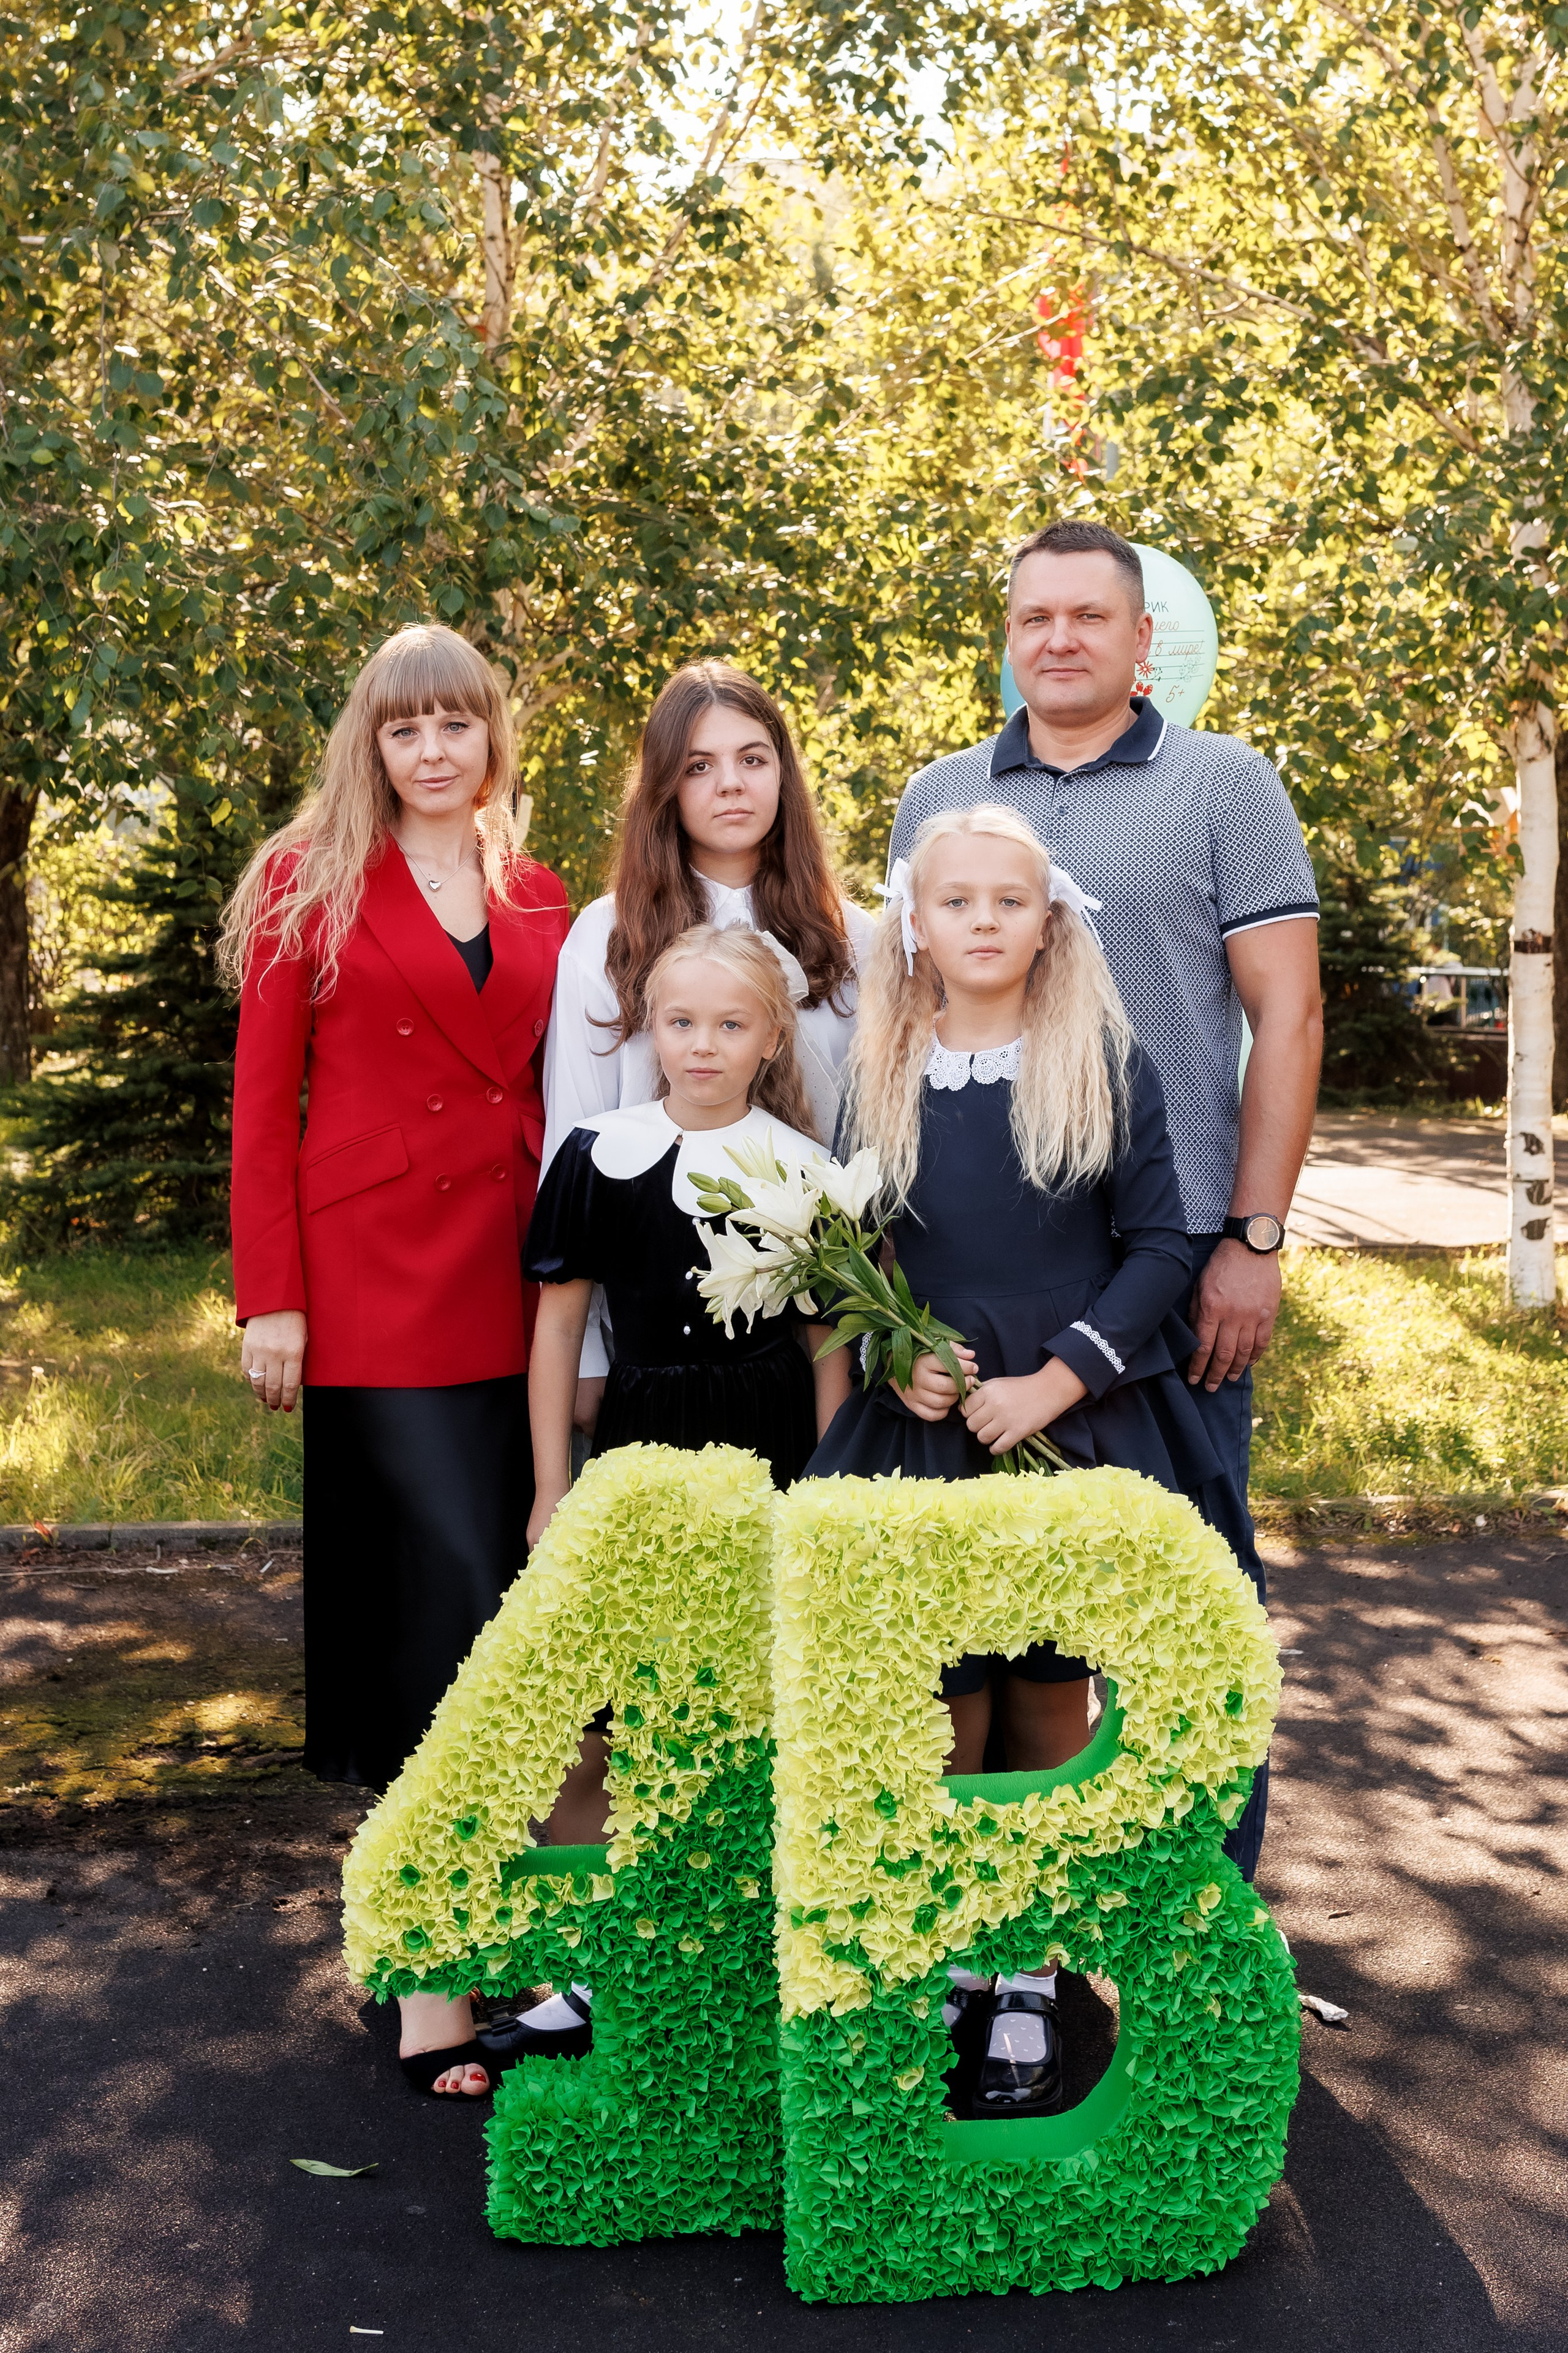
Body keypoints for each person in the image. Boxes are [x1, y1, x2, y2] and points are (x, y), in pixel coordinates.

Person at [888, 519, 1322, 1880]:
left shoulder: (1224, 784)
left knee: (1185, 1615)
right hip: (976, 1287)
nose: (1060, 638)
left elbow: (1290, 1013)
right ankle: (1008, 1933)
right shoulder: (941, 795)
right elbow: (901, 1024)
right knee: (988, 1631)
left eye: (1089, 616)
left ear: (1144, 640)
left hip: (1168, 1265)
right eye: (1035, 617)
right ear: (1008, 638)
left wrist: (1252, 1236)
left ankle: (1199, 1924)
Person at [808, 804, 1234, 2123]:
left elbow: (1162, 1245)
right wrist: (897, 1357)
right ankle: (953, 1946)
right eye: (956, 902)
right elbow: (855, 1256)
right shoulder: (880, 1073)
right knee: (941, 1700)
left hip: (1071, 1418)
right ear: (914, 926)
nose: (983, 920)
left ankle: (1031, 1970)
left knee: (1049, 1691)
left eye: (1009, 900)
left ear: (1049, 923)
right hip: (926, 1430)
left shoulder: (1100, 1061)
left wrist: (1058, 1377)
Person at [222, 622, 570, 2101]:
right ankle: (434, 1970)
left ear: (493, 737)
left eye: (456, 724)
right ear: (370, 742)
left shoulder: (538, 890)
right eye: (404, 727)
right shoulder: (305, 882)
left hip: (519, 1280)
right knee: (431, 1618)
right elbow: (261, 1108)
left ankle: (513, 1930)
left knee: (511, 1621)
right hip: (372, 1285)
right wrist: (271, 1300)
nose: (433, 750)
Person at [503, 923, 851, 2067]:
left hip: (767, 1450)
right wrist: (553, 1484)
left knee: (754, 1705)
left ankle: (758, 1959)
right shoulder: (600, 1153)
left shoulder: (802, 1168)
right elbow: (558, 1329)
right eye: (681, 1021)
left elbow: (828, 1347)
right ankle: (591, 1966)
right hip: (641, 1450)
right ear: (649, 1030)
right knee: (619, 1707)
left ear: (771, 1040)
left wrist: (829, 1488)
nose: (703, 1045)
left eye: (730, 1024)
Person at [543, 661, 874, 1429]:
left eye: (752, 759)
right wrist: (586, 1355)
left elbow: (868, 1138)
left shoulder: (854, 936)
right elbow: (574, 1131)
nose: (730, 784)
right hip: (652, 1328)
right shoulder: (606, 933)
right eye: (699, 766)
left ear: (783, 774)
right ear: (665, 784)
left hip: (814, 1319)